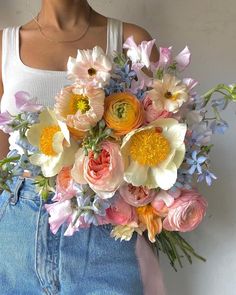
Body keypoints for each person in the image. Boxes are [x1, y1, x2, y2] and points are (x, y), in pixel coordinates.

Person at [0, 0, 166, 294]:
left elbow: (159, 144)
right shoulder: (4, 45)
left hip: (105, 234)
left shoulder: (132, 42)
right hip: (15, 236)